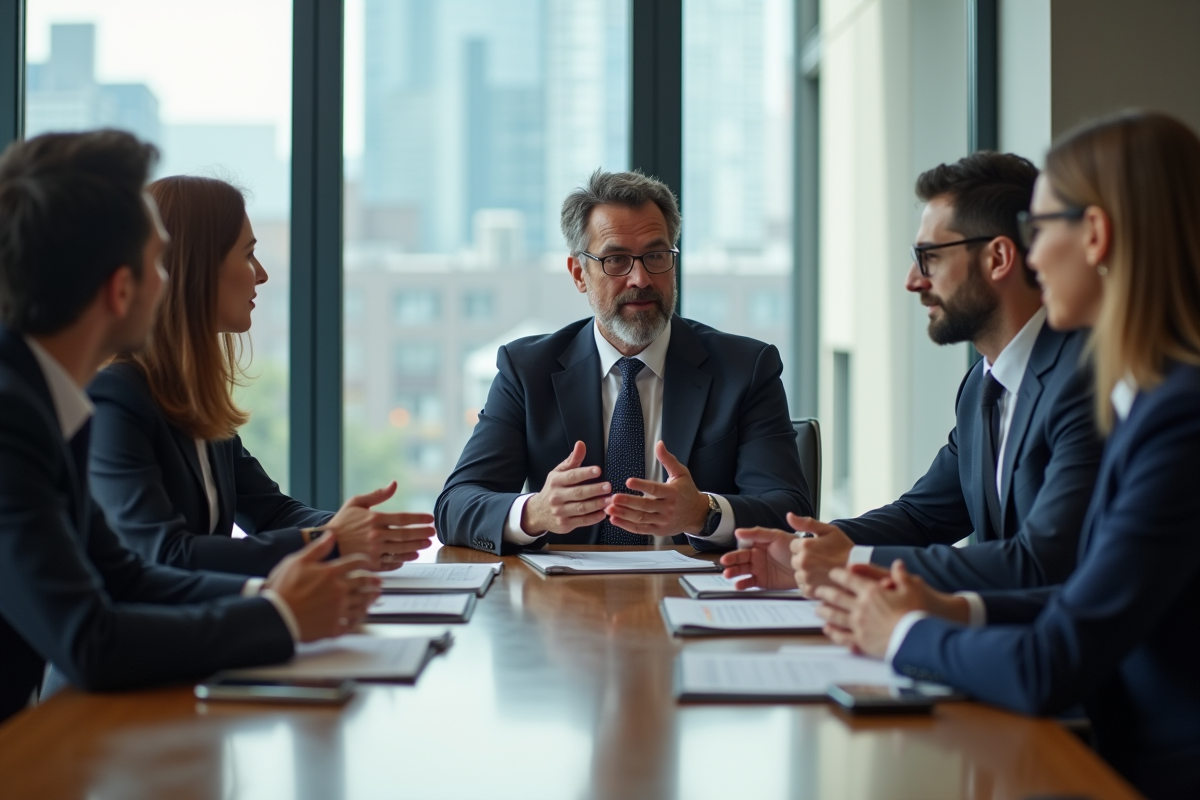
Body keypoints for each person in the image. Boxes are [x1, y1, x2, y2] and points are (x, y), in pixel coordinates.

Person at [815, 111, 1200, 800]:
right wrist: (954, 610)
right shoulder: (1147, 397)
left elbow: (1055, 655)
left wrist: (902, 632)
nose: (1032, 253)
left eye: (1040, 228)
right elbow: (1084, 599)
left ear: (1096, 236)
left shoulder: (1178, 415)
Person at [0, 130, 380, 724]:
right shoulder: (20, 418)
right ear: (121, 289)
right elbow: (91, 640)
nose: (169, 278)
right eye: (158, 262)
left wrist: (271, 597)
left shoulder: (46, 404)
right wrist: (278, 614)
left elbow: (125, 577)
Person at [722, 152, 1103, 594]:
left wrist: (849, 560)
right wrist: (807, 547)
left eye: (929, 257)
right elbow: (923, 516)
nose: (913, 280)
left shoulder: (1085, 378)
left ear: (998, 257)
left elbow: (1043, 564)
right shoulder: (982, 384)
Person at [435, 170, 811, 554]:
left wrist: (704, 512)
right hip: (566, 603)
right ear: (579, 274)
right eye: (616, 260)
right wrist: (535, 512)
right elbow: (455, 507)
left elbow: (790, 511)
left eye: (656, 256)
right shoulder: (527, 370)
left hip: (694, 601)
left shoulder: (745, 369)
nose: (640, 278)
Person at [87, 176, 435, 577]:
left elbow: (271, 512)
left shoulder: (192, 396)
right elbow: (165, 556)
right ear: (198, 268)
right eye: (248, 255)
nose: (262, 274)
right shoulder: (116, 399)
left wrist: (361, 531)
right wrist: (327, 540)